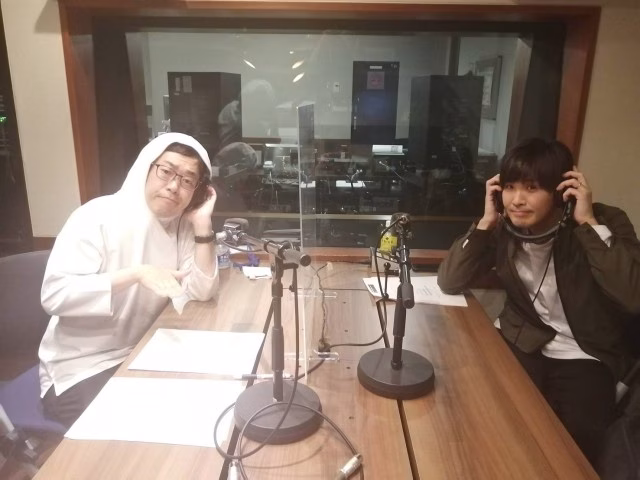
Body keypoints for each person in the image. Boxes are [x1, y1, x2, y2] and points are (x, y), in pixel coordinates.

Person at [437, 137, 640, 466]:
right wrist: (486, 222)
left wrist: (588, 224)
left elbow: (632, 296)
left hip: (586, 352)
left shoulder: (606, 221)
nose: (517, 200)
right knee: (488, 416)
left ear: (561, 191)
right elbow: (450, 279)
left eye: (531, 188)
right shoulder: (505, 226)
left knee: (574, 446)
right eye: (510, 187)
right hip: (524, 337)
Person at [39, 133, 219, 428]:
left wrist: (202, 223)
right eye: (166, 171)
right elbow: (55, 295)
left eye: (187, 180)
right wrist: (136, 274)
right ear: (146, 168)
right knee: (131, 433)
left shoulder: (181, 227)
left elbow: (202, 291)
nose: (174, 186)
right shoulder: (96, 216)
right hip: (82, 367)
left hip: (143, 351)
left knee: (202, 404)